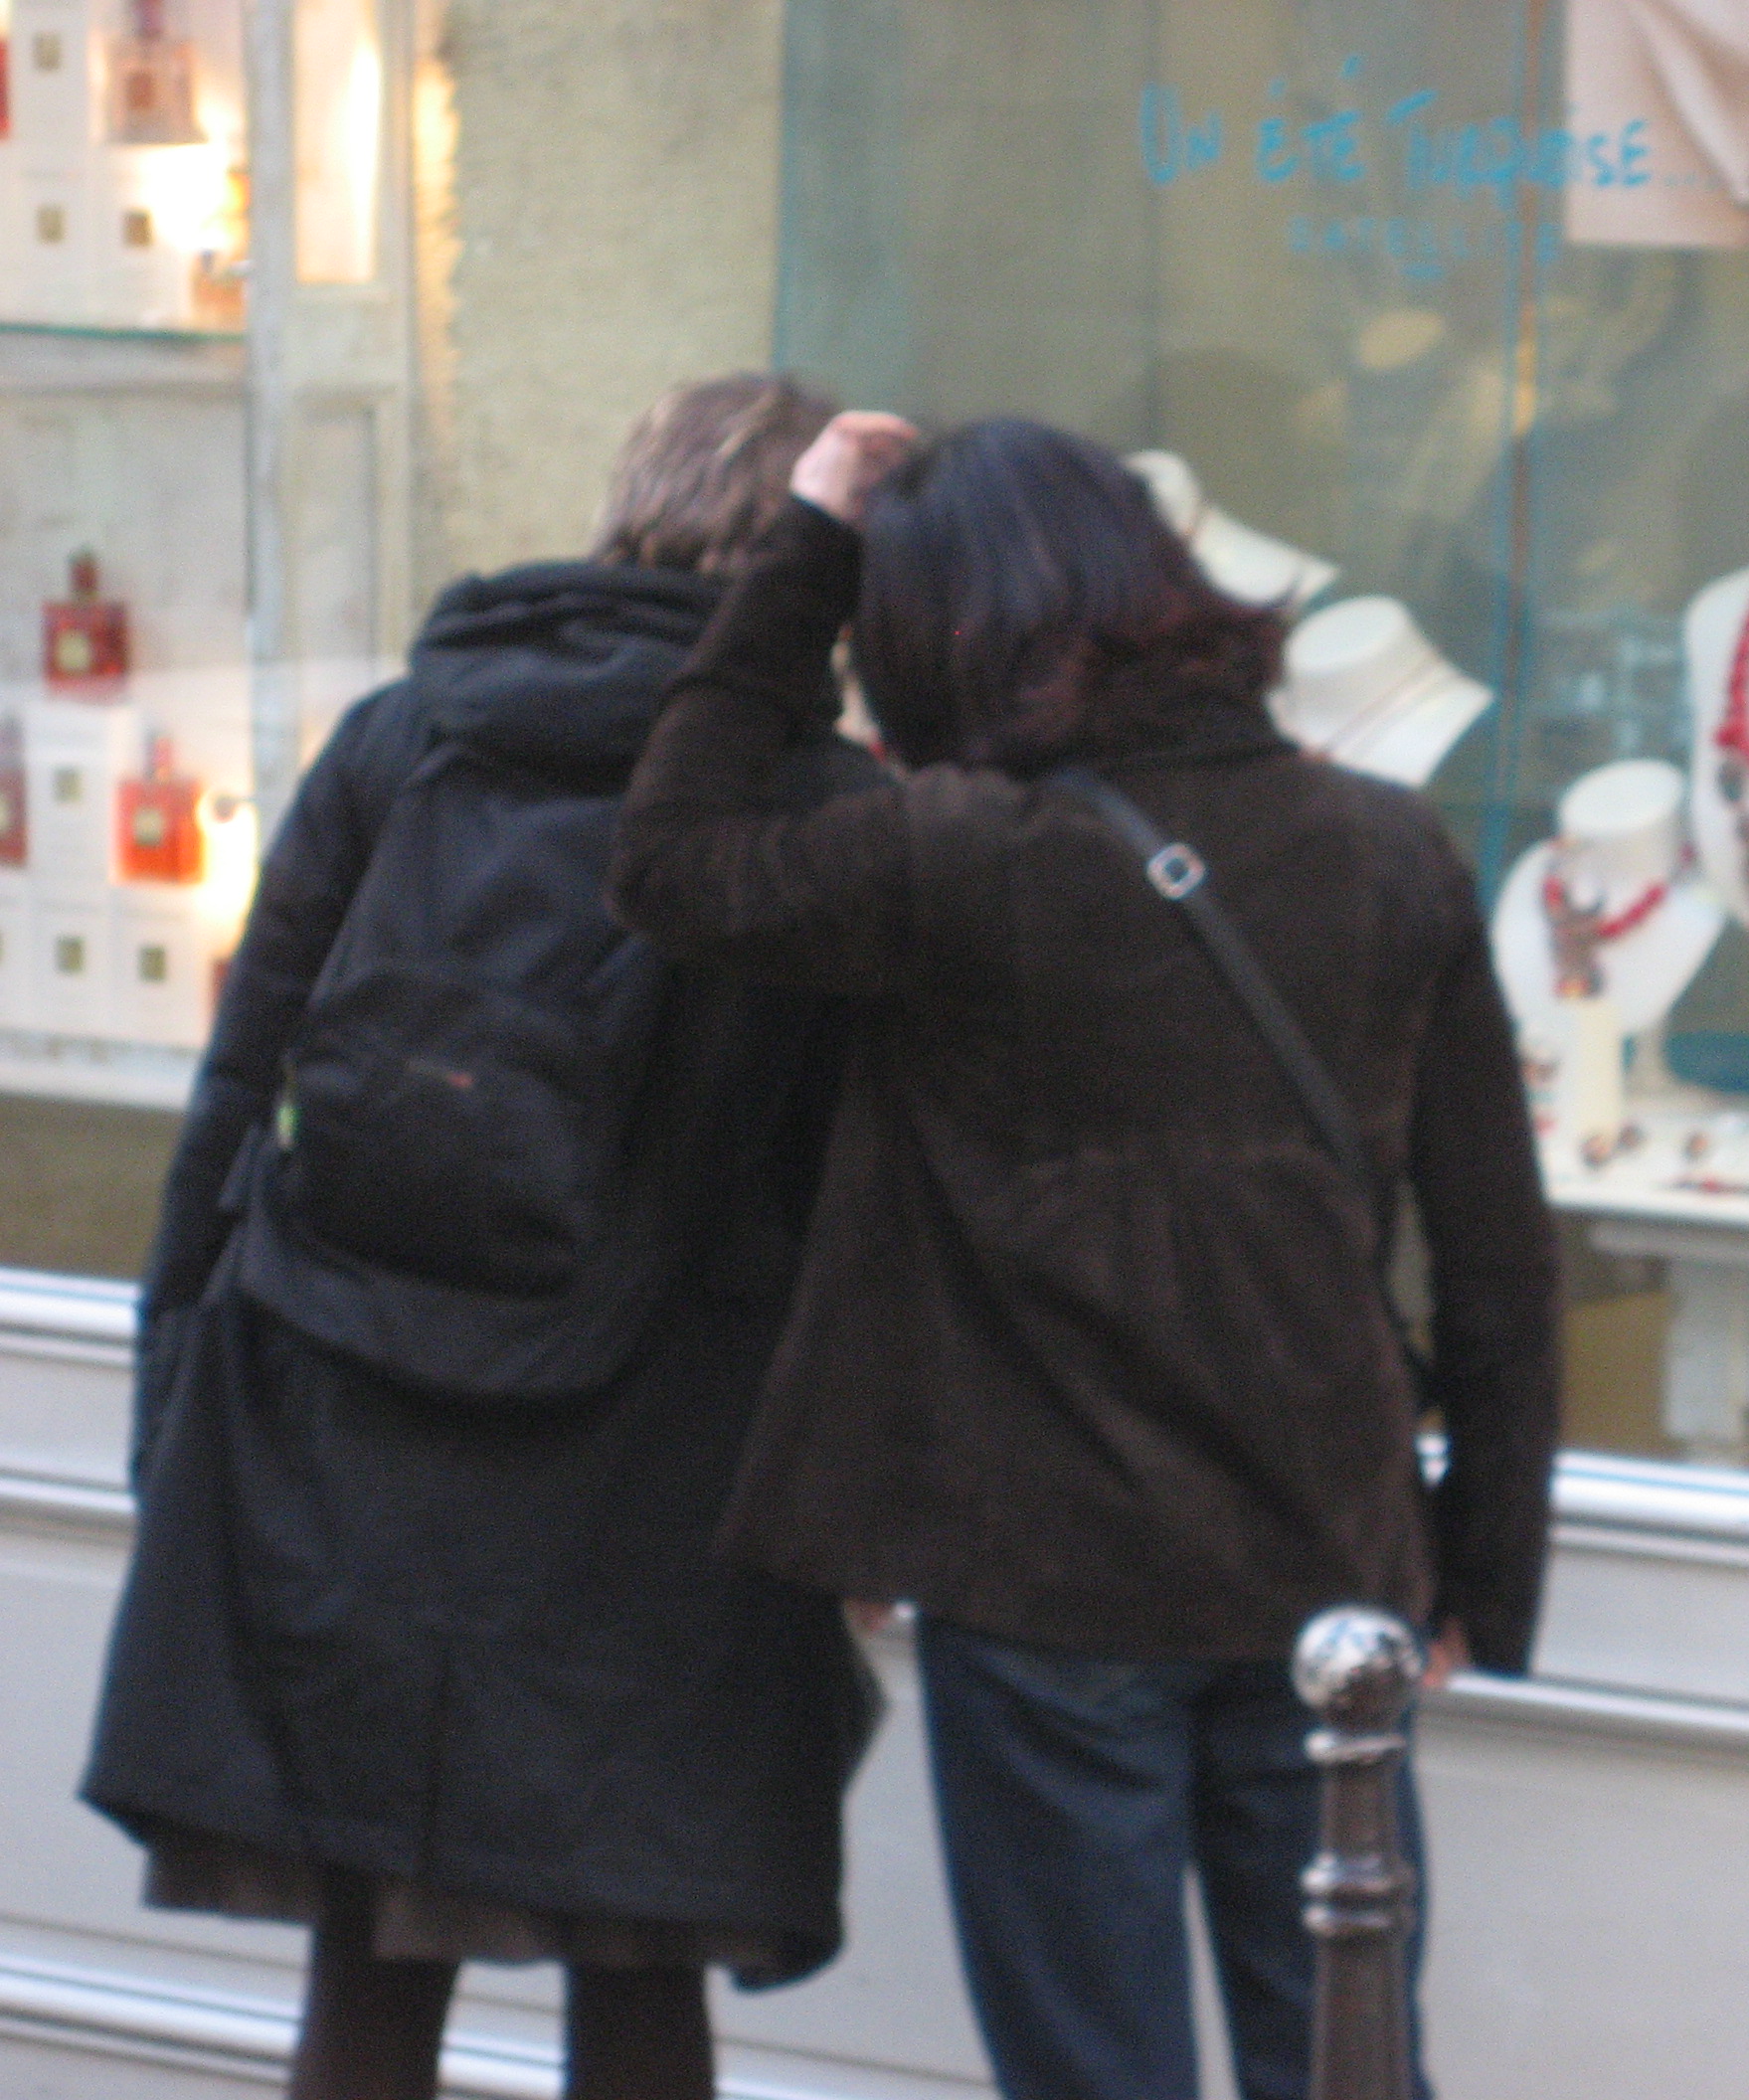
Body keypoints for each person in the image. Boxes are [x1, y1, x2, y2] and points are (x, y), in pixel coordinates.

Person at [607, 412, 1563, 2100]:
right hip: (1328, 1564)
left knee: (1094, 2075)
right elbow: (1495, 1253)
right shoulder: (1385, 847)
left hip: (1050, 1572)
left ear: (938, 636)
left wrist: (810, 548)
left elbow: (672, 858)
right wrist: (1481, 1567)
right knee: (1344, 2061)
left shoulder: (960, 854)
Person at [83, 374, 886, 2100]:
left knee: (369, 1974)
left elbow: (243, 1080)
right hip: (664, 1456)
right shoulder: (815, 803)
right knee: (639, 1975)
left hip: (343, 1417)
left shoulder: (407, 734)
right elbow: (846, 1186)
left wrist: (170, 1387)